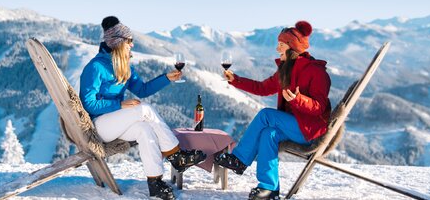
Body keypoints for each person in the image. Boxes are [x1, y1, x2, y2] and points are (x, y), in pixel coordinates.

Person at [79, 16, 205, 200]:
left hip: (116, 123)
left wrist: (167, 78)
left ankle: (155, 182)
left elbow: (142, 90)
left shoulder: (123, 65)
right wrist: (120, 104)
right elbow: (88, 104)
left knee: (144, 130)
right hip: (99, 126)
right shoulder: (96, 67)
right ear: (119, 42)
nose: (132, 45)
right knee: (144, 109)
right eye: (129, 41)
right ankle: (176, 156)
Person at [214, 21, 331, 200]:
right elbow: (262, 88)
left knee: (266, 115)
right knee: (268, 133)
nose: (277, 49)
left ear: (291, 47)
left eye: (281, 45)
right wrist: (235, 79)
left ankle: (239, 160)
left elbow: (319, 108)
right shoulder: (286, 70)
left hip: (310, 130)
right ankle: (269, 188)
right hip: (293, 125)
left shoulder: (316, 72)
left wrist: (299, 100)